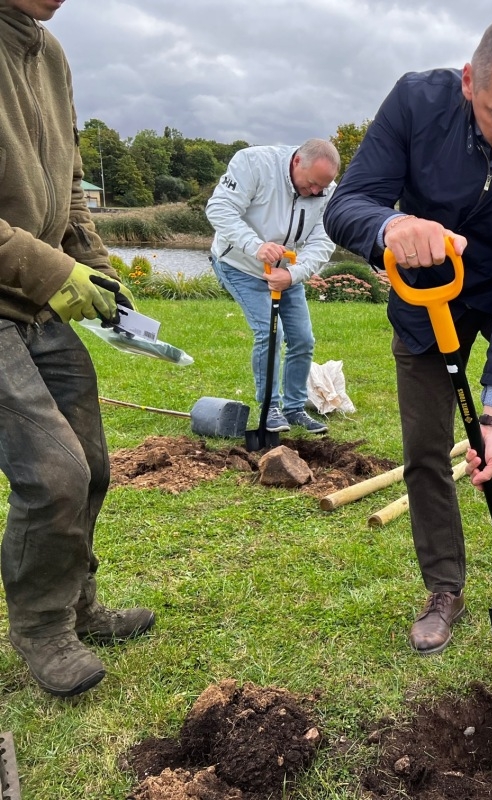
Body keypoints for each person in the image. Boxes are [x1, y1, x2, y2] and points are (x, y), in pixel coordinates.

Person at [323, 13, 492, 655]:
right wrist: (391, 226)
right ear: (469, 82)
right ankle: (445, 586)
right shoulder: (416, 103)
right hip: (426, 296)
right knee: (425, 442)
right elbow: (345, 204)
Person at [1, 0, 155, 698]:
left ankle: (77, 603)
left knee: (91, 463)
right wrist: (57, 273)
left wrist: (94, 266)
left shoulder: (50, 52)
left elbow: (68, 183)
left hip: (41, 301)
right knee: (54, 472)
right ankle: (39, 628)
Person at [207, 138, 340, 435]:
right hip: (240, 264)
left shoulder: (326, 191)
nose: (316, 192)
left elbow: (323, 240)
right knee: (271, 333)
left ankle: (294, 408)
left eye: (322, 187)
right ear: (296, 163)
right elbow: (219, 210)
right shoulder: (253, 164)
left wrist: (294, 275)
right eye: (312, 184)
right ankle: (270, 408)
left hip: (286, 273)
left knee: (303, 340)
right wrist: (255, 246)